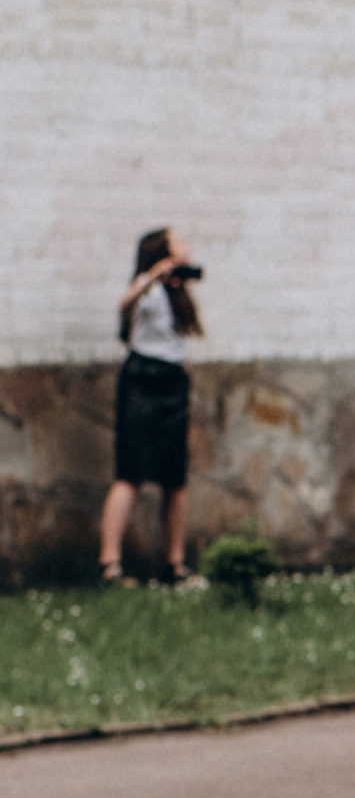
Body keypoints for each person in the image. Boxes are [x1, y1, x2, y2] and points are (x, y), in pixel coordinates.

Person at [100, 226, 203, 583]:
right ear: (162, 251)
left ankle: (174, 563)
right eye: (180, 241)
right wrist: (152, 277)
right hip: (142, 382)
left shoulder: (178, 290)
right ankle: (110, 564)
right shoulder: (147, 288)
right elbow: (124, 304)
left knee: (175, 478)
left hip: (173, 382)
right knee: (130, 473)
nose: (187, 246)